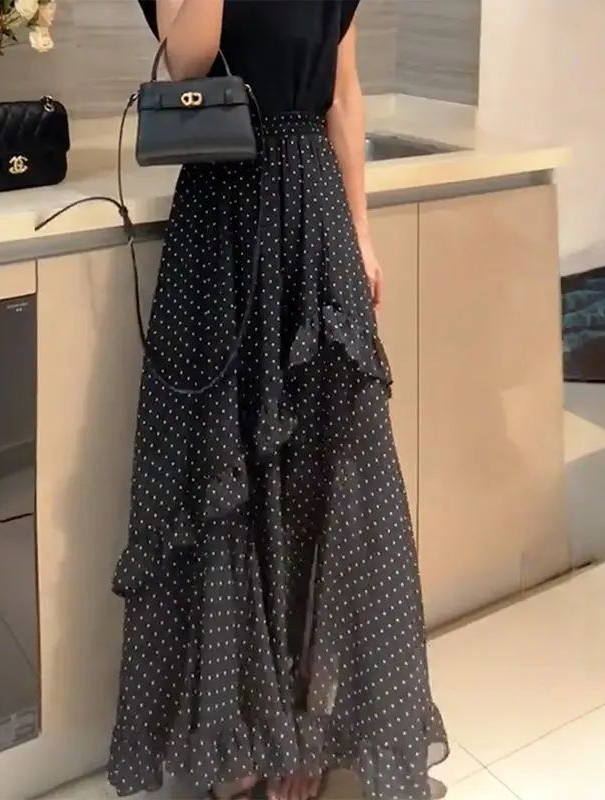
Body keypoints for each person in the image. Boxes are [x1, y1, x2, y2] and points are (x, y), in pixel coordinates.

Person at [109, 2, 448, 799]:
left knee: (322, 477)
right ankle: (241, 734)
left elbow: (344, 96)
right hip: (222, 219)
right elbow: (189, 63)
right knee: (225, 475)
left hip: (313, 218)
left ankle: (307, 720)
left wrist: (361, 232)